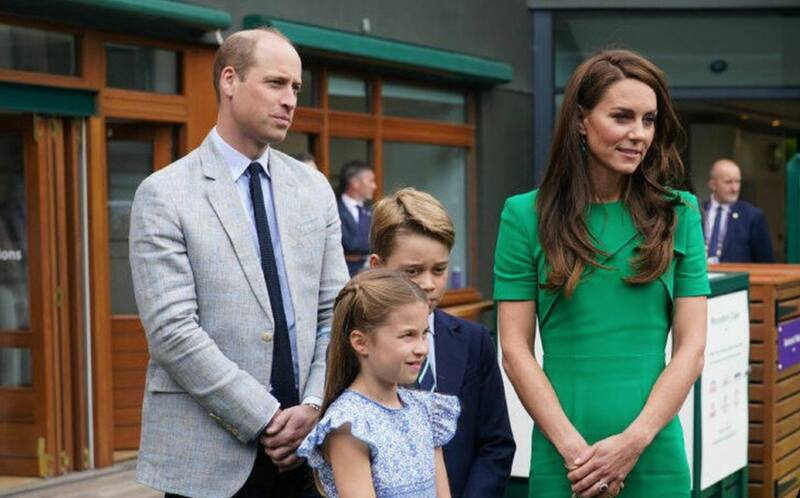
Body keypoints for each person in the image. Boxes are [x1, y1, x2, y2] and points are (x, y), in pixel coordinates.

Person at [129, 28, 348, 498]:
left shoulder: (312, 190)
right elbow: (172, 332)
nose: (290, 100)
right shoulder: (165, 194)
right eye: (275, 83)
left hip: (308, 449)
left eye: (295, 88)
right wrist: (267, 418)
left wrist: (312, 403)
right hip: (209, 460)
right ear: (229, 81)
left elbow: (337, 311)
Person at [494, 49, 709, 498]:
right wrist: (577, 454)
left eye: (649, 120)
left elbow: (691, 349)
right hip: (565, 452)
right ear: (579, 120)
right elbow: (515, 350)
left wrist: (633, 442)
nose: (639, 134)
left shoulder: (679, 213)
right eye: (622, 116)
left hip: (654, 449)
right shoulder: (523, 216)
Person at [368, 187, 515, 498]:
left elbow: (496, 443)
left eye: (439, 270)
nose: (428, 284)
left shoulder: (474, 341)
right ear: (377, 267)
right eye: (412, 271)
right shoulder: (357, 346)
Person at [297, 269, 460, 497]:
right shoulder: (350, 424)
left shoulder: (427, 410)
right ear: (361, 342)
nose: (422, 348)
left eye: (424, 334)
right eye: (408, 335)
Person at [703, 158, 774, 263]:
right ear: (712, 185)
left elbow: (766, 262)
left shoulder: (753, 216)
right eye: (728, 182)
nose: (735, 188)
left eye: (737, 182)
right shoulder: (697, 212)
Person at [337, 160, 376, 276]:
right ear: (355, 183)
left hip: (370, 274)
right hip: (344, 273)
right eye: (371, 181)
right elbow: (348, 243)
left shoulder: (373, 211)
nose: (374, 186)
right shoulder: (334, 209)